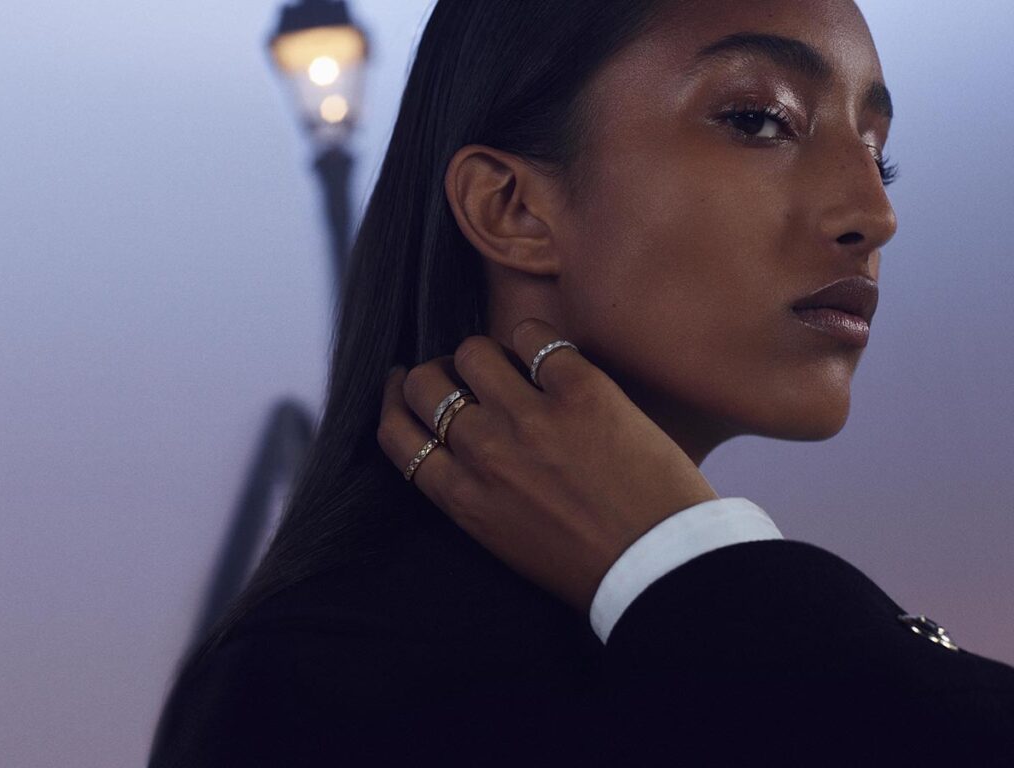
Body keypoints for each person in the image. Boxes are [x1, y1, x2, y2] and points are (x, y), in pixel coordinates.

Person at [148, 0, 1014, 764]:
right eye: (759, 120)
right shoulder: (329, 679)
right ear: (511, 208)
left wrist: (680, 562)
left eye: (878, 154)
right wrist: (689, 568)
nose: (874, 213)